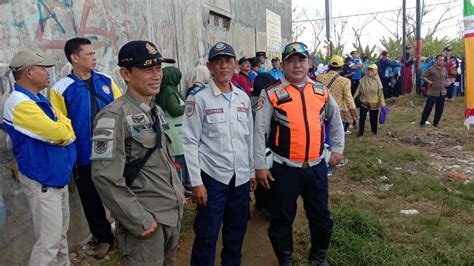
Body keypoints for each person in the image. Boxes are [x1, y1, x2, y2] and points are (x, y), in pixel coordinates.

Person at [91, 40, 184, 265]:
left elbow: (162, 156)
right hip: (146, 220)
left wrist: (178, 192)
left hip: (170, 212)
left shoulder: (156, 110)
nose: (156, 75)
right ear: (126, 74)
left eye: (158, 68)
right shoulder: (113, 117)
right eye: (147, 69)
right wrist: (138, 219)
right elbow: (105, 176)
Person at [254, 42, 345, 265]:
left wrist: (338, 149)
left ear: (309, 63)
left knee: (321, 217)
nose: (297, 65)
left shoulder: (321, 91)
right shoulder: (272, 92)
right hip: (283, 169)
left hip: (316, 168)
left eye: (301, 60)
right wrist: (260, 166)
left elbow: (335, 121)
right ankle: (286, 259)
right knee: (282, 219)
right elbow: (259, 131)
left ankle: (318, 256)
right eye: (291, 60)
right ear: (283, 64)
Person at [182, 41, 257, 265]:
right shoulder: (199, 98)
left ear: (235, 64)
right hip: (212, 178)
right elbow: (189, 141)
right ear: (210, 67)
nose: (223, 66)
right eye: (218, 62)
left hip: (241, 177)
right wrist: (196, 182)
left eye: (228, 61)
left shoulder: (242, 98)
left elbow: (249, 138)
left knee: (236, 231)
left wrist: (252, 171)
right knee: (207, 234)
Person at [3, 51, 76, 266]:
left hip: (56, 178)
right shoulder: (20, 104)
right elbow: (60, 133)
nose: (47, 73)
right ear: (29, 72)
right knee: (48, 244)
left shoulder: (38, 99)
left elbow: (66, 127)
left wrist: (63, 133)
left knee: (60, 237)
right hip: (43, 181)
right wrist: (63, 133)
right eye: (43, 68)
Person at [50, 37, 120, 258]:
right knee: (91, 200)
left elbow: (121, 109)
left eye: (94, 53)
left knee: (120, 193)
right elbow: (58, 124)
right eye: (89, 54)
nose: (94, 57)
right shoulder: (60, 89)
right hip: (82, 156)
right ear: (74, 58)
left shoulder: (106, 80)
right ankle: (104, 238)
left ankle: (128, 231)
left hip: (114, 152)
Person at [155, 66, 191, 194]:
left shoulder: (171, 90)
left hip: (179, 133)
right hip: (174, 133)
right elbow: (174, 109)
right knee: (178, 162)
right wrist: (189, 105)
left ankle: (186, 185)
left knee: (183, 159)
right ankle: (179, 188)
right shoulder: (168, 91)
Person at [250, 73, 276, 217]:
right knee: (269, 176)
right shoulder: (269, 100)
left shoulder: (248, 100)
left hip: (251, 146)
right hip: (267, 146)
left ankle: (260, 203)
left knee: (257, 174)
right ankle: (268, 207)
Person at [316, 55, 359, 133]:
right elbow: (349, 99)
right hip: (338, 113)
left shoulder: (319, 78)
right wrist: (355, 117)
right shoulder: (345, 81)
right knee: (336, 138)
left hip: (321, 111)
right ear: (342, 67)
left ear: (329, 66)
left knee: (324, 137)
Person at [354, 64, 386, 136]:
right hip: (364, 101)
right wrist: (352, 98)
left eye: (371, 70)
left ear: (375, 71)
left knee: (373, 118)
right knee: (362, 117)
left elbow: (381, 94)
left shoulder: (378, 82)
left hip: (374, 102)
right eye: (368, 70)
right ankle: (360, 133)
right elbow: (358, 90)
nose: (369, 72)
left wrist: (383, 104)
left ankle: (374, 131)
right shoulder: (363, 80)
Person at [419, 55, 449, 127]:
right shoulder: (431, 69)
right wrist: (430, 82)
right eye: (440, 60)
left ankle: (436, 123)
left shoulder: (444, 69)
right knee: (428, 108)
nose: (442, 62)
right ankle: (423, 122)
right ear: (436, 60)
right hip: (432, 92)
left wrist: (447, 83)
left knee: (440, 109)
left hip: (442, 92)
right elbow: (422, 77)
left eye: (443, 60)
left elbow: (446, 78)